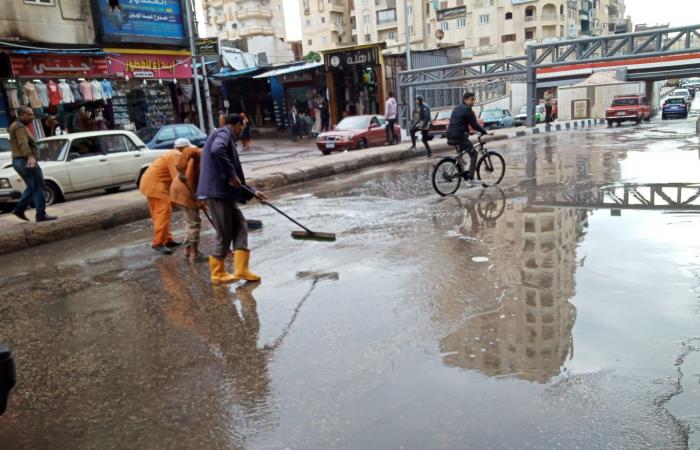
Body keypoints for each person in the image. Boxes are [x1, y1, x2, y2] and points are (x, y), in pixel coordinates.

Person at [197, 114, 269, 284]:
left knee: (240, 225)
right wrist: (230, 174)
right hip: (218, 194)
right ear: (237, 125)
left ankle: (241, 269)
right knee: (224, 233)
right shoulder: (224, 134)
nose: (243, 130)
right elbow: (217, 150)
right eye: (242, 126)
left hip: (225, 193)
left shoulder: (225, 136)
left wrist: (253, 192)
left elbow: (237, 180)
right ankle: (218, 272)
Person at [9, 106, 57, 223]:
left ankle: (19, 209)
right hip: (25, 160)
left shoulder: (15, 125)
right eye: (29, 114)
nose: (32, 117)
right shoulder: (20, 127)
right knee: (38, 187)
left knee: (32, 187)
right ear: (21, 115)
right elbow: (23, 143)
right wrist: (30, 156)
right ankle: (40, 214)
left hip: (18, 161)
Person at [139, 141, 186, 255]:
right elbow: (177, 177)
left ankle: (167, 239)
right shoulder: (177, 155)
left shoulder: (171, 154)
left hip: (149, 184)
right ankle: (158, 243)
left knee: (159, 213)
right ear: (183, 148)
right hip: (156, 186)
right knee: (163, 212)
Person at [170, 138, 205, 262]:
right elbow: (188, 151)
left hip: (182, 189)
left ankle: (188, 251)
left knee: (190, 222)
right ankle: (194, 254)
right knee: (194, 223)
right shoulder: (202, 152)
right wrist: (181, 171)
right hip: (185, 190)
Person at [446, 92, 491, 186]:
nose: (473, 102)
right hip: (459, 136)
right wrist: (484, 131)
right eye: (472, 99)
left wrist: (468, 132)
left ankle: (462, 173)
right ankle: (470, 179)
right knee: (474, 154)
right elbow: (474, 125)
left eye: (474, 99)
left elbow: (458, 122)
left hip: (450, 134)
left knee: (462, 152)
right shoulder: (467, 110)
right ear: (465, 100)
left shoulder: (457, 108)